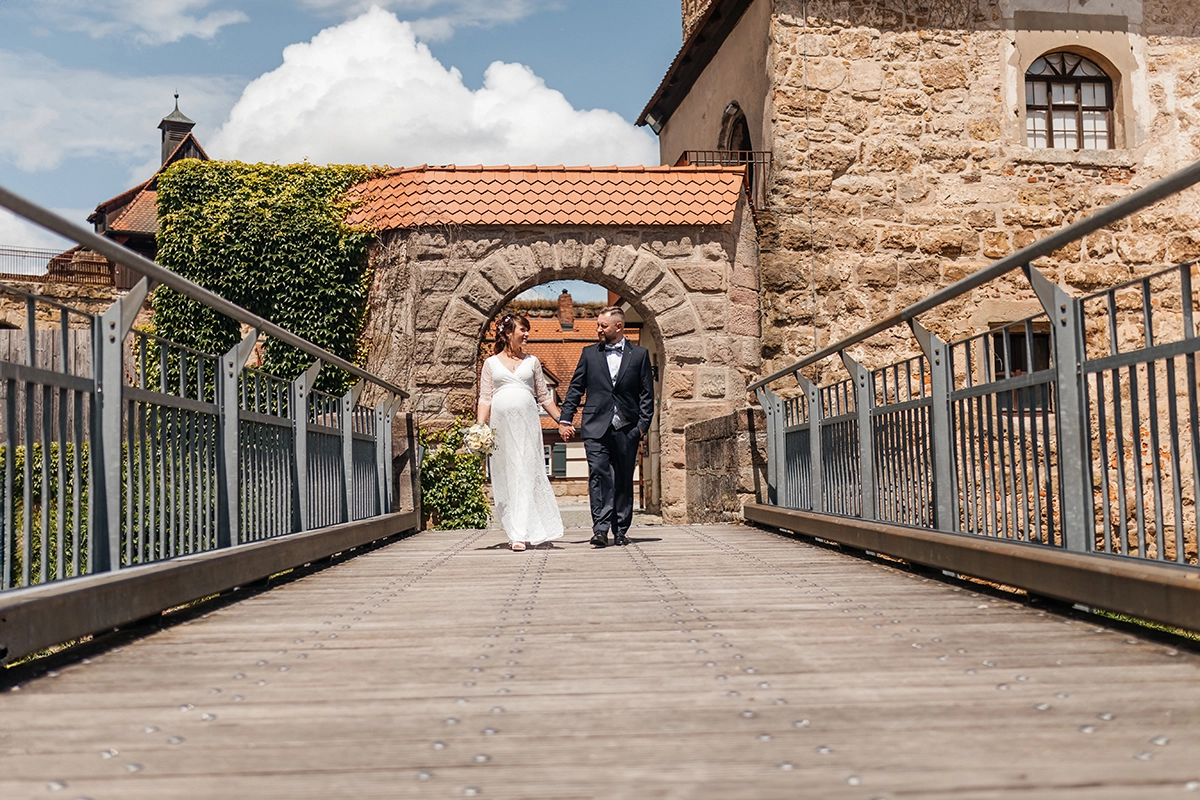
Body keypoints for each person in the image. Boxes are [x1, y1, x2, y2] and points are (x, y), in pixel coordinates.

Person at [558, 306, 655, 547]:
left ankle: (620, 530)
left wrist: (641, 427)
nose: (599, 329)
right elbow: (575, 388)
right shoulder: (589, 354)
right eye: (598, 325)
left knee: (623, 478)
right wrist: (565, 419)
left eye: (603, 325)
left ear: (618, 326)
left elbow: (647, 394)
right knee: (599, 474)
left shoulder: (640, 355)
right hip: (595, 425)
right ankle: (600, 529)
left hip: (627, 428)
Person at [477, 314, 566, 551]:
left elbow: (544, 396)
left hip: (527, 426)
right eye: (522, 330)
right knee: (508, 473)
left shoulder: (532, 362)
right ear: (508, 333)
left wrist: (562, 420)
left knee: (526, 472)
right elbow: (485, 398)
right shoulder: (490, 363)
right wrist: (480, 427)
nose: (527, 334)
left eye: (528, 330)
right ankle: (514, 531)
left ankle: (523, 532)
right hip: (501, 427)